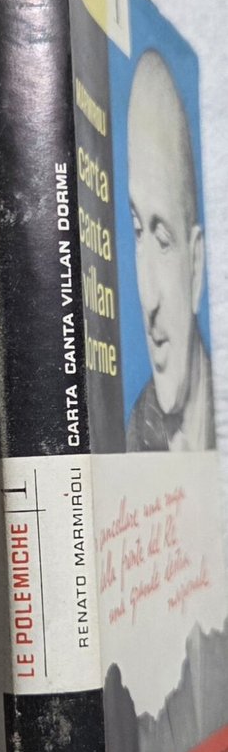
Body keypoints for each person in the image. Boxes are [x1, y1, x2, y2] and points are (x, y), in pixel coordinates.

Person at [125, 49, 214, 451]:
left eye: (163, 241)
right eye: (137, 231)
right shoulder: (135, 434)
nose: (148, 298)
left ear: (195, 264)